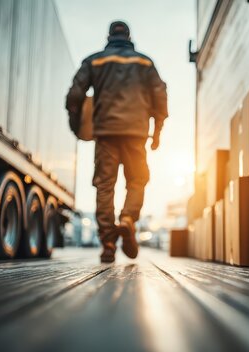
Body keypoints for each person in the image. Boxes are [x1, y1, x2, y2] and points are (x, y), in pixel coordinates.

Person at [65, 21, 168, 263]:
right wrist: (157, 132)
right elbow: (160, 97)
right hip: (136, 133)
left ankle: (108, 242)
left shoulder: (95, 61)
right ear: (129, 37)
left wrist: (76, 126)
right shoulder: (145, 63)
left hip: (105, 134)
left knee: (104, 185)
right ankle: (128, 219)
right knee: (137, 180)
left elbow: (74, 96)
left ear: (109, 36)